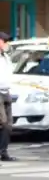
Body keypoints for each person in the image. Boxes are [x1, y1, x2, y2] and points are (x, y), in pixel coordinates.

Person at [0, 31, 13, 161]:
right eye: (4, 41)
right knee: (2, 122)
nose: (6, 44)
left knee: (8, 124)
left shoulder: (6, 57)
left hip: (6, 91)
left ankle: (4, 152)